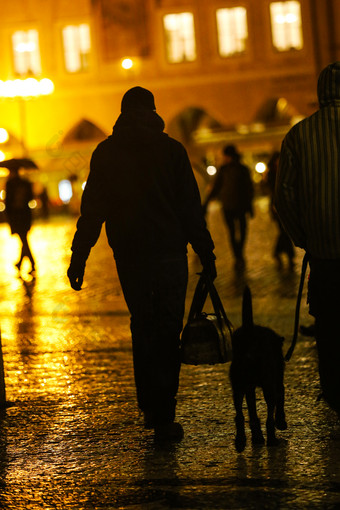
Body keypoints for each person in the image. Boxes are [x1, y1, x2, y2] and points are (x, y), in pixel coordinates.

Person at [67, 86, 216, 441]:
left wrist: (79, 256)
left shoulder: (106, 153)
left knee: (143, 325)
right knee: (167, 328)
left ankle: (150, 405)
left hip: (130, 257)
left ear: (122, 113)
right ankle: (164, 412)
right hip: (169, 254)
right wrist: (206, 253)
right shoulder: (171, 151)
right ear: (152, 111)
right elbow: (189, 209)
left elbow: (93, 210)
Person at [274, 62, 340, 417]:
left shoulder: (299, 136)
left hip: (325, 255)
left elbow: (282, 198)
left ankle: (334, 392)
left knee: (329, 327)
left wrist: (304, 238)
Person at [203, 144, 254, 269]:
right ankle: (238, 254)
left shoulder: (230, 169)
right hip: (234, 205)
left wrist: (207, 201)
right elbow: (249, 189)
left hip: (233, 206)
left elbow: (217, 187)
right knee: (238, 231)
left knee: (236, 232)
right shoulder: (238, 169)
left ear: (227, 156)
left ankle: (238, 254)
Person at [266, 151, 295, 269]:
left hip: (288, 205)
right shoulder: (272, 174)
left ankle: (279, 253)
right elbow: (272, 191)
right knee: (285, 232)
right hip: (276, 206)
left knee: (286, 232)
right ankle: (289, 257)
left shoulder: (286, 171)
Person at [5, 166, 35, 274]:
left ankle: (32, 263)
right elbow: (31, 198)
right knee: (24, 239)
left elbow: (7, 202)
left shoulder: (10, 184)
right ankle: (20, 263)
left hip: (16, 216)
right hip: (25, 215)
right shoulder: (25, 183)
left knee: (24, 240)